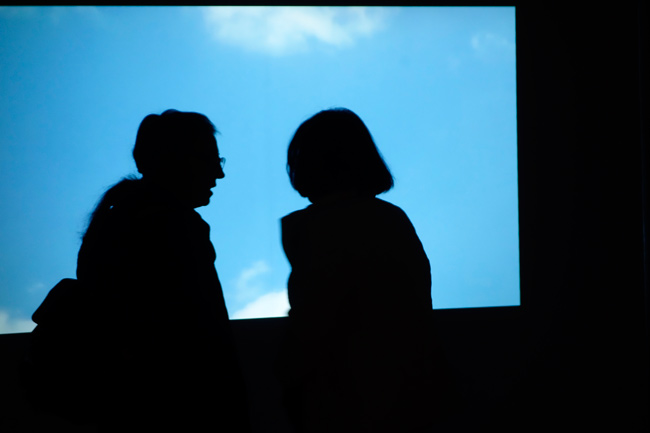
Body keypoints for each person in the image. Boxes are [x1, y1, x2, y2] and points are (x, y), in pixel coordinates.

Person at [279, 108, 452, 433]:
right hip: (404, 394)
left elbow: (315, 320)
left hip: (345, 400)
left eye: (300, 158)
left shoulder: (315, 226)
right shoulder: (391, 219)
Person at [76, 110, 249, 432]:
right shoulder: (174, 228)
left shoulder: (114, 224)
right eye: (210, 160)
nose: (219, 173)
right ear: (178, 162)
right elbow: (201, 338)